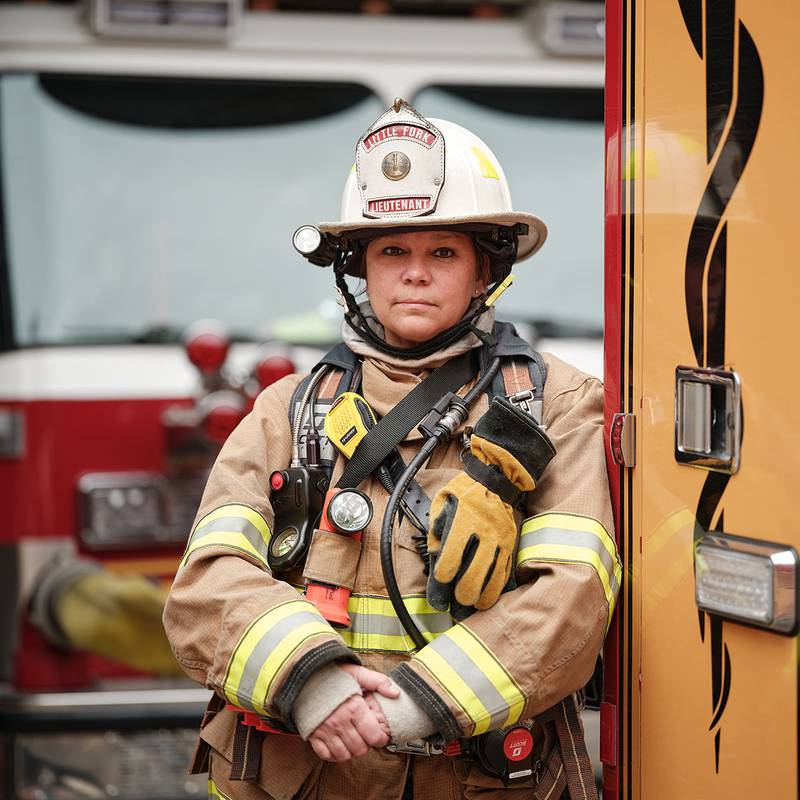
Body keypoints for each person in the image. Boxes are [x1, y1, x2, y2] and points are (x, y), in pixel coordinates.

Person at [164, 99, 620, 800]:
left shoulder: (556, 405)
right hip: (312, 778)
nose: (415, 272)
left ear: (484, 270)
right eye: (392, 251)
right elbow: (208, 582)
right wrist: (312, 684)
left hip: (475, 777)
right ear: (361, 270)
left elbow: (574, 596)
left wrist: (413, 706)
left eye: (443, 252)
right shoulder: (286, 411)